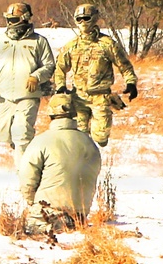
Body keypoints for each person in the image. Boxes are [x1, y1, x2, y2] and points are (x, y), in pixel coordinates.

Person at [0, 2, 55, 166]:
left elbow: (49, 66)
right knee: (3, 134)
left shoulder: (39, 41)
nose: (11, 23)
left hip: (28, 95)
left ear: (25, 18)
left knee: (22, 134)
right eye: (9, 19)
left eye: (14, 19)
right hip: (3, 95)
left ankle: (24, 171)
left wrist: (36, 76)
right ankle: (17, 144)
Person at [53, 4, 138, 147]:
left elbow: (124, 65)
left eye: (86, 18)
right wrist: (61, 86)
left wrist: (131, 83)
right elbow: (60, 68)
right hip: (78, 97)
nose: (83, 23)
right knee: (78, 138)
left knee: (100, 137)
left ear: (94, 18)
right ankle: (83, 163)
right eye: (79, 19)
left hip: (101, 97)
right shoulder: (71, 46)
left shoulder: (107, 44)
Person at [18, 93, 102, 234]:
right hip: (80, 217)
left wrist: (33, 203)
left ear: (50, 115)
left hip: (47, 215)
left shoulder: (41, 141)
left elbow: (27, 179)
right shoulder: (89, 143)